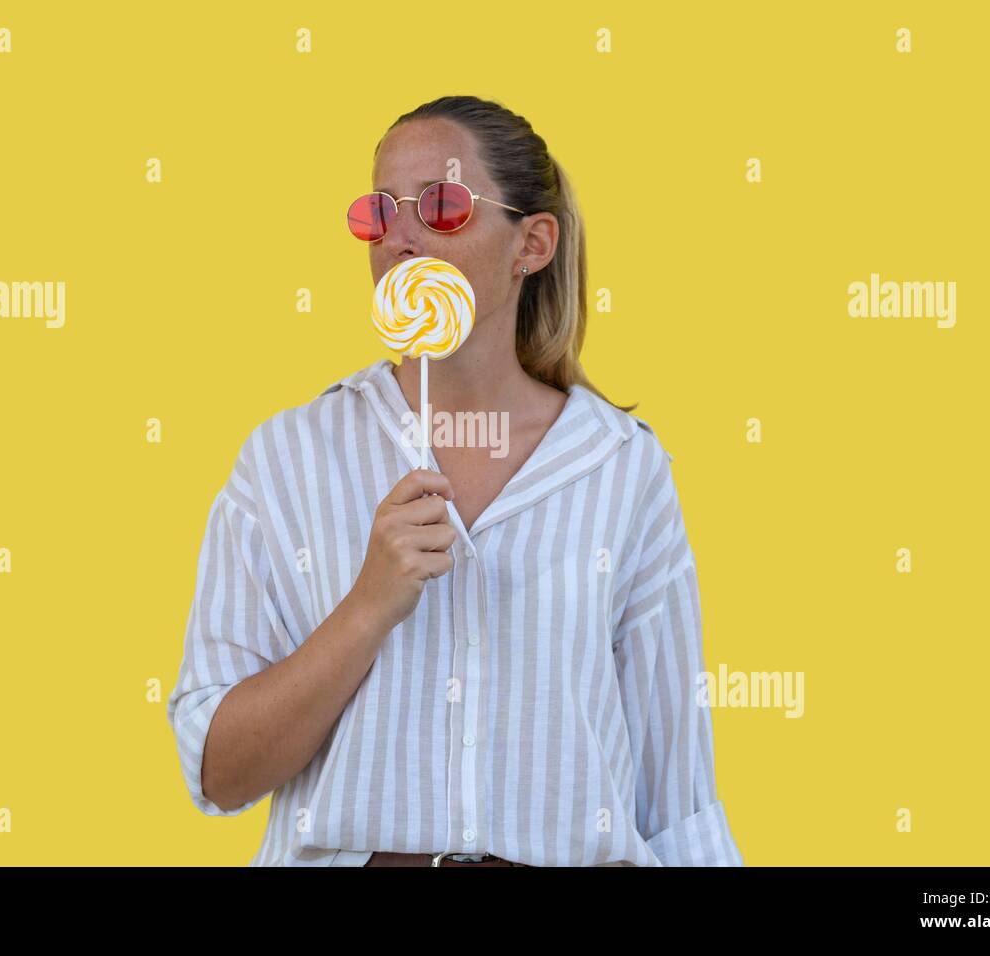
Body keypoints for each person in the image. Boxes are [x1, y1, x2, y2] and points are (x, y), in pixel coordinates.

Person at [167, 94, 744, 867]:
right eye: (378, 212)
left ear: (531, 244)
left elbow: (677, 800)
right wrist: (368, 607)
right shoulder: (285, 460)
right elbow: (220, 773)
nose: (397, 238)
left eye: (440, 207)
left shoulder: (621, 467)